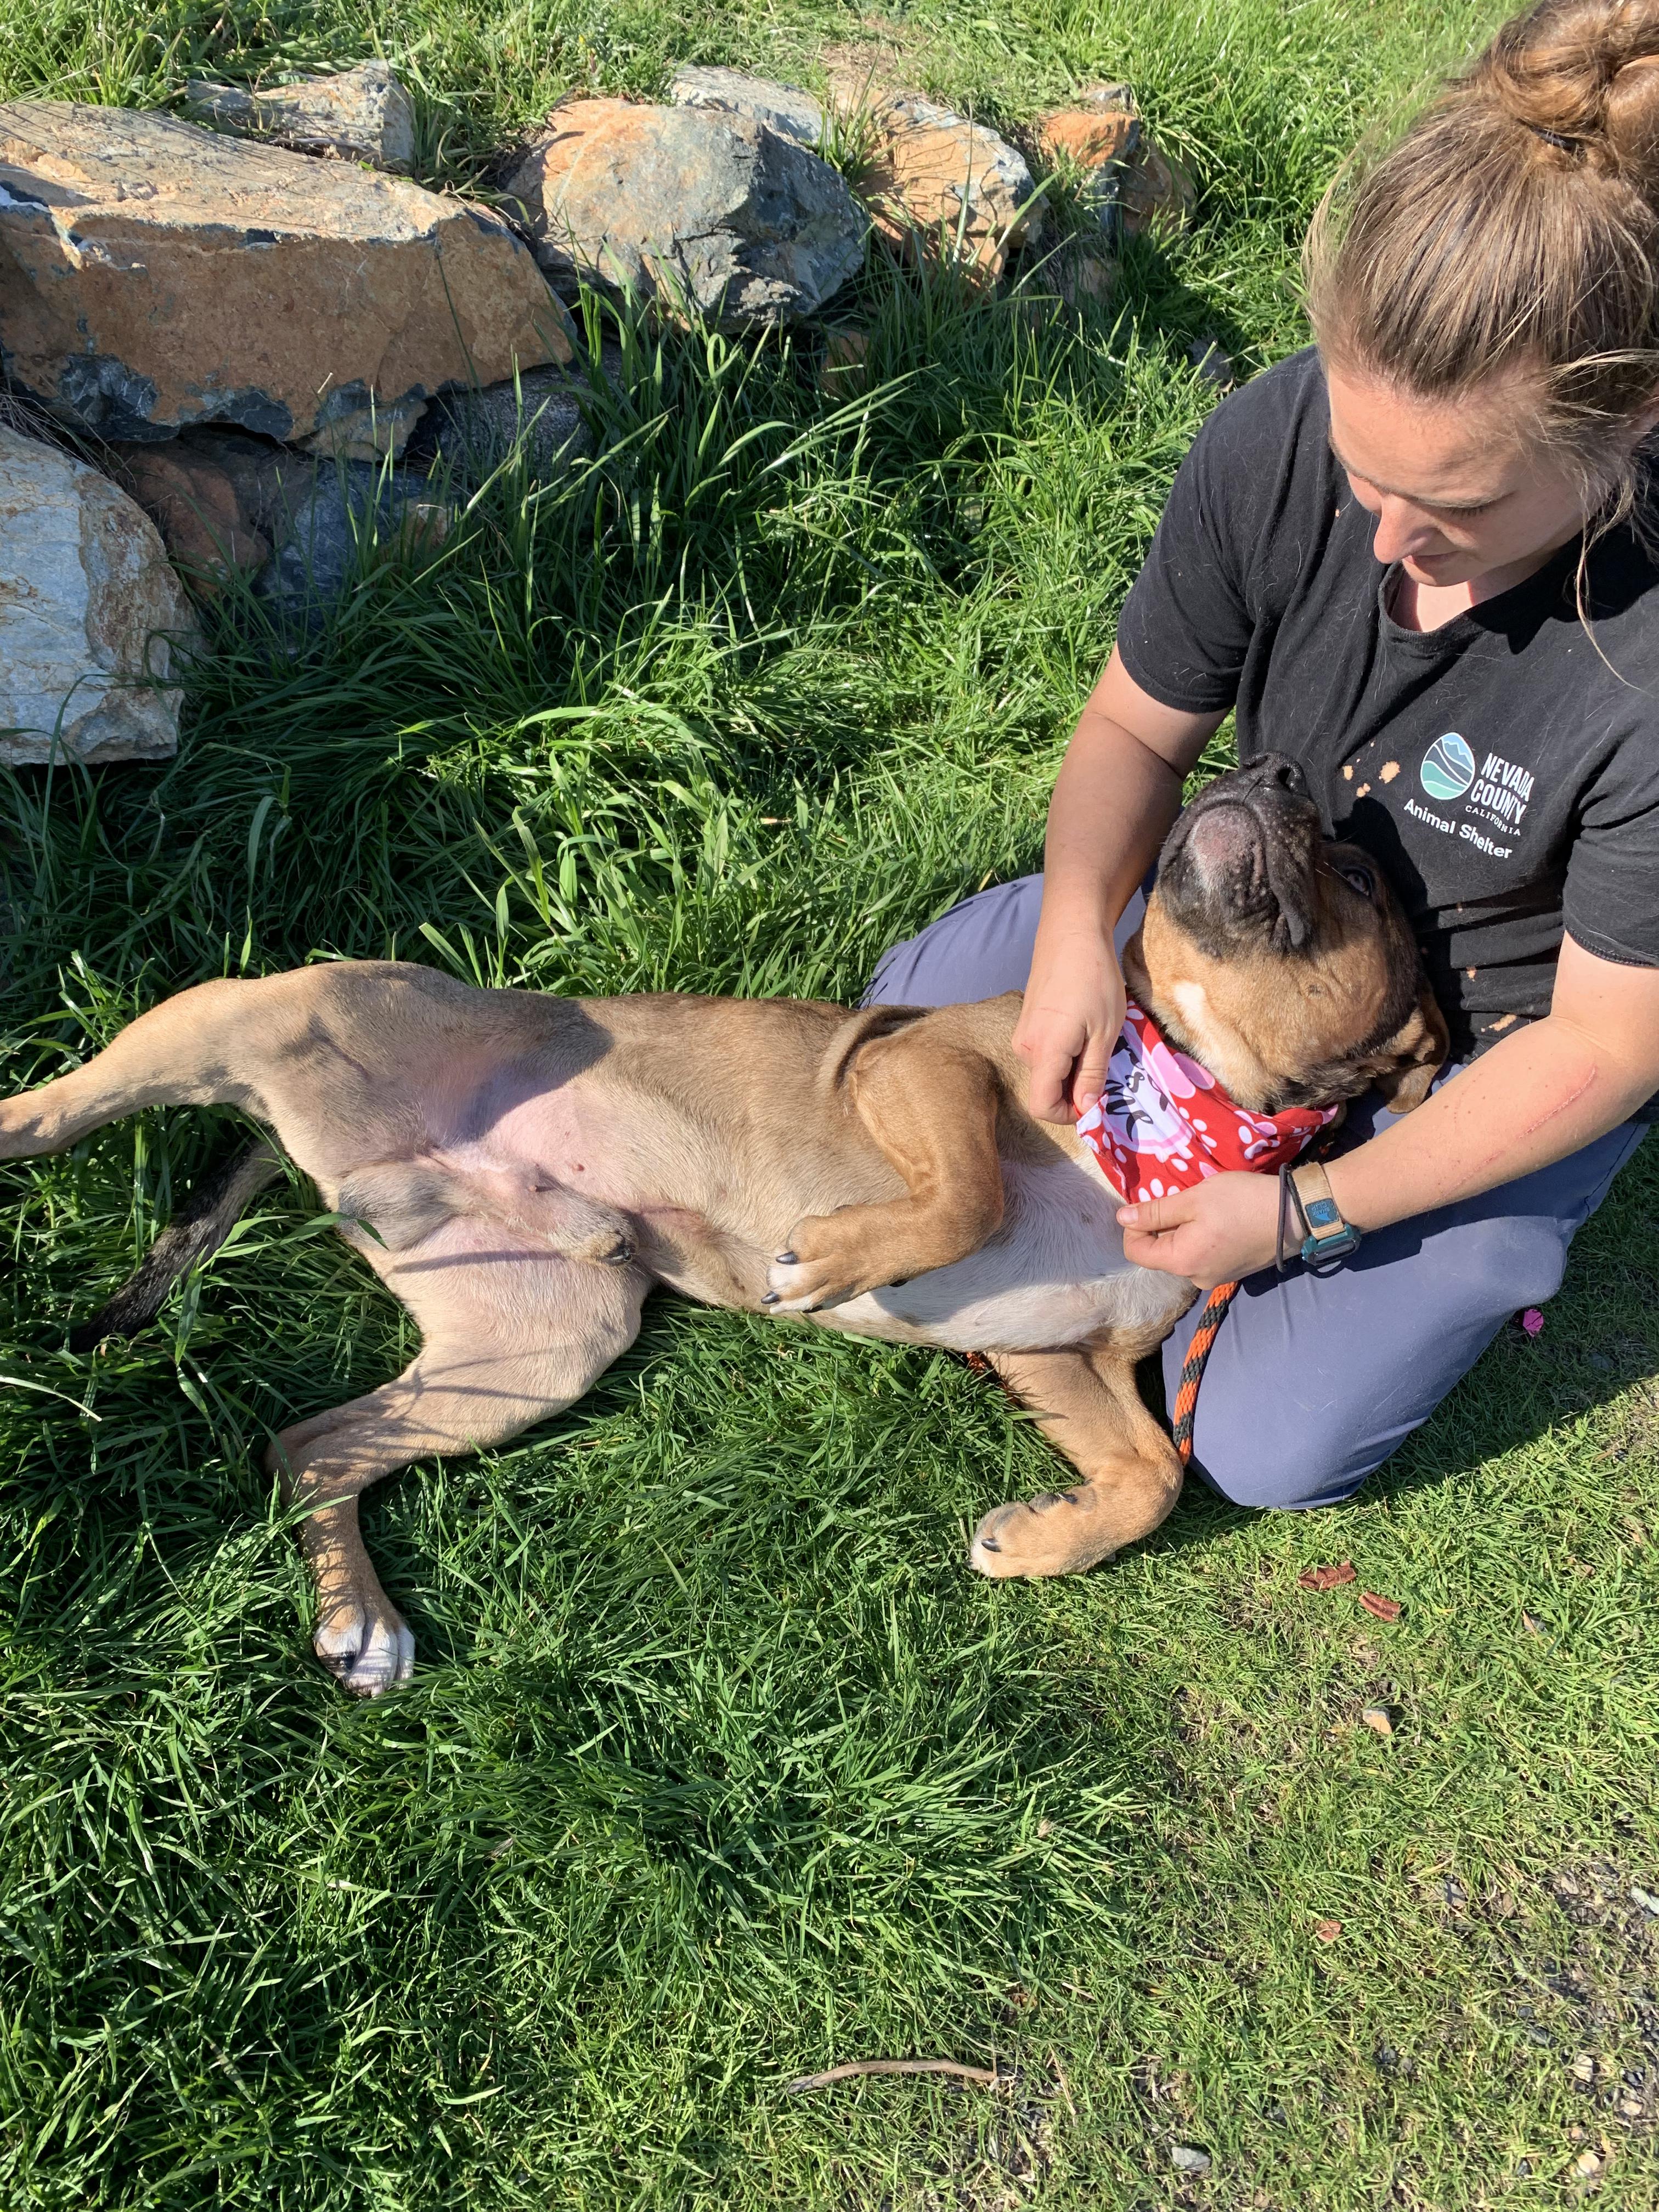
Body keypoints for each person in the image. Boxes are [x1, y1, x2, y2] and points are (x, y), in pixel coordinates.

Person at [865, 0, 1659, 1511]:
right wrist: (1076, 956)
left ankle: (1472, 1234)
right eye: (1366, 479)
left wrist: (1302, 1215)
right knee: (898, 1031)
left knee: (1270, 1449)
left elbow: (1609, 1047)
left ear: (1632, 426)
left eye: (1463, 513)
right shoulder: (1272, 436)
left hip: (1492, 1045)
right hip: (1237, 917)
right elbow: (1130, 730)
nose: (1392, 553)